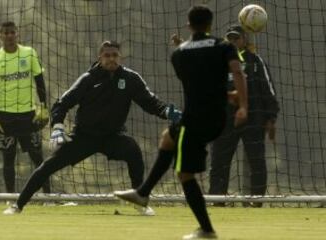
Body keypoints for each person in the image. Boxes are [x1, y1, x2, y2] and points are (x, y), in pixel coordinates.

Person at [3, 40, 182, 215]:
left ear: (120, 58)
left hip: (113, 137)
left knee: (134, 152)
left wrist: (167, 112)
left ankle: (140, 202)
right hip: (83, 137)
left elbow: (150, 102)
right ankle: (17, 206)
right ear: (100, 58)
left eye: (114, 55)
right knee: (47, 167)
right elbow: (62, 104)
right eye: (107, 56)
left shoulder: (130, 78)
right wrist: (57, 126)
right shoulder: (88, 79)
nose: (111, 59)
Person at [114, 5, 248, 239]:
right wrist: (243, 104)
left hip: (195, 119)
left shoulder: (179, 54)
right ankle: (143, 192)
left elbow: (198, 84)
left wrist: (180, 46)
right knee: (167, 138)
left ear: (189, 25)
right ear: (210, 24)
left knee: (185, 174)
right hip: (217, 117)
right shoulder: (224, 46)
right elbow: (237, 74)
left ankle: (206, 230)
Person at [208, 25, 280, 207]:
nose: (233, 41)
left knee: (257, 161)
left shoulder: (256, 61)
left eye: (236, 38)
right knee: (219, 163)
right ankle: (218, 202)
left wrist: (271, 118)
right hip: (224, 121)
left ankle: (257, 202)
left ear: (244, 39)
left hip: (254, 119)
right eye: (230, 38)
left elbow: (268, 90)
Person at [0, 21, 51, 195]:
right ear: (0, 36)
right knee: (8, 159)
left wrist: (44, 107)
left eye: (12, 32)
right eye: (5, 33)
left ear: (17, 34)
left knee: (37, 157)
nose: (9, 36)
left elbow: (39, 82)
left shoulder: (29, 54)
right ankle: (10, 197)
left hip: (28, 115)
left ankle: (48, 197)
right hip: (4, 117)